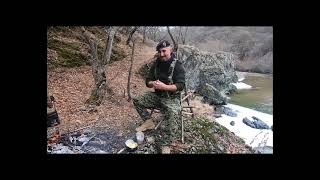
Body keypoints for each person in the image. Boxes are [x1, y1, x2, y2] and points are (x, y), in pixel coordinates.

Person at [133, 40, 186, 145]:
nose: (161, 54)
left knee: (172, 114)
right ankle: (148, 122)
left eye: (164, 51)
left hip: (171, 98)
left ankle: (166, 143)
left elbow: (181, 85)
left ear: (170, 50)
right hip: (157, 95)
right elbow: (147, 80)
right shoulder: (156, 64)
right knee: (137, 100)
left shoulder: (178, 65)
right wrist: (152, 83)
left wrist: (165, 87)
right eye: (159, 52)